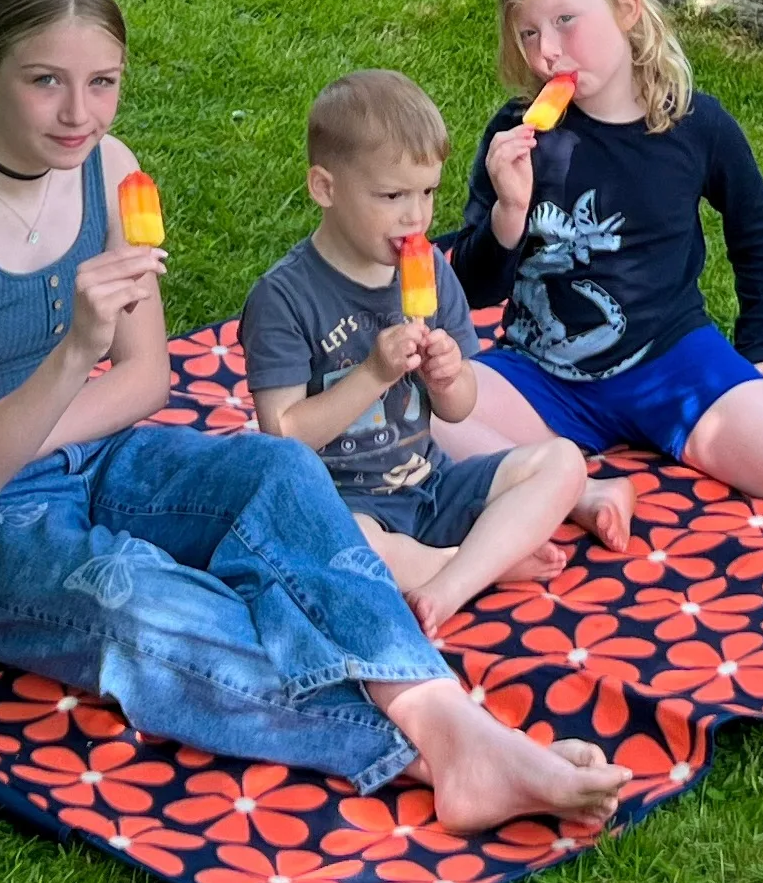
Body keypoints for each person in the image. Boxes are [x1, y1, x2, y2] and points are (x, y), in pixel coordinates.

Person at [0, 0, 627, 829]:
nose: (79, 113)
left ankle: (450, 724)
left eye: (102, 83)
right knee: (140, 599)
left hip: (96, 458)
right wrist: (74, 353)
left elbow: (147, 382)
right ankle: (431, 754)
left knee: (276, 470)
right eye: (45, 82)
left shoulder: (109, 170)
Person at [439, 0, 763, 504]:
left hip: (673, 363)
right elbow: (474, 288)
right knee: (416, 419)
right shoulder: (518, 136)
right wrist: (509, 210)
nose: (547, 50)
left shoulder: (695, 126)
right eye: (529, 34)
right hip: (543, 371)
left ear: (626, 10)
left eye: (566, 21)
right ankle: (576, 497)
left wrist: (761, 350)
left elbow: (756, 232)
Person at [241, 70, 625, 634]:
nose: (416, 217)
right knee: (336, 548)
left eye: (427, 193)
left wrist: (448, 378)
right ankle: (471, 565)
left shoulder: (432, 274)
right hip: (342, 504)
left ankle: (449, 580)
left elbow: (459, 410)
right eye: (392, 196)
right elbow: (283, 437)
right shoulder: (284, 298)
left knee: (562, 461)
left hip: (430, 480)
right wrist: (373, 373)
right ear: (324, 188)